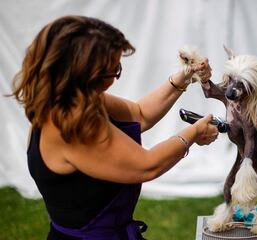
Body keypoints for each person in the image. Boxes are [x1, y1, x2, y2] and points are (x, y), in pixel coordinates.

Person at [10, 15, 218, 240]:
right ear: (84, 74)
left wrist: (183, 77)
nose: (115, 78)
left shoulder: (74, 100)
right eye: (112, 70)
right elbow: (147, 166)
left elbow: (140, 114)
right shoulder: (69, 127)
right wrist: (194, 132)